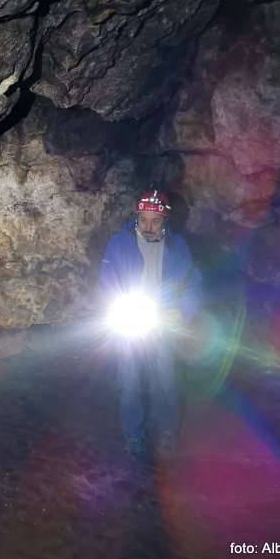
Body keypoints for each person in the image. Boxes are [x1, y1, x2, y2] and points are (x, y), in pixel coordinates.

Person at [99, 189, 202, 458]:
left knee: (165, 381)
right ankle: (134, 435)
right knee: (129, 382)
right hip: (130, 322)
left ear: (165, 220)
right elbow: (107, 280)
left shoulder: (178, 248)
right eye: (143, 220)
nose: (148, 227)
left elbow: (193, 284)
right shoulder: (119, 244)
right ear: (136, 217)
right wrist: (115, 307)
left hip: (162, 323)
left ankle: (167, 431)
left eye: (155, 221)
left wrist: (183, 312)